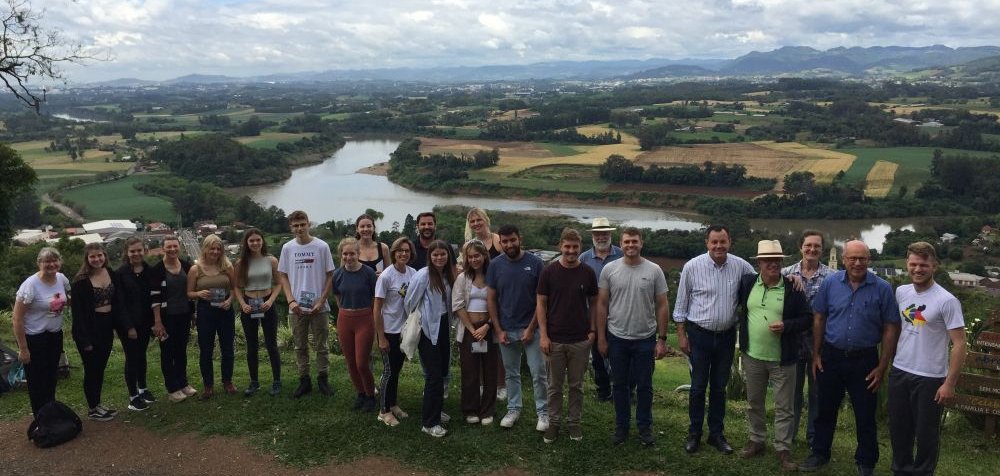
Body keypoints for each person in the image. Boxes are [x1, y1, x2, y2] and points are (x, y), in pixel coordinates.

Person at [800, 240, 900, 475]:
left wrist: (882, 366)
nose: (857, 263)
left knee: (865, 414)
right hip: (831, 357)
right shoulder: (831, 283)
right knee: (825, 410)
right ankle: (820, 453)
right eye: (852, 258)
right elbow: (819, 318)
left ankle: (866, 462)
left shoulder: (882, 288)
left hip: (865, 360)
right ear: (843, 259)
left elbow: (890, 327)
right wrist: (816, 354)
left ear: (869, 260)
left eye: (862, 258)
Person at [673, 225, 755, 454]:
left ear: (730, 242)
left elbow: (763, 282)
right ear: (706, 243)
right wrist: (681, 335)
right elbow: (680, 306)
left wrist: (791, 281)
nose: (719, 246)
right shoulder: (692, 267)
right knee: (698, 388)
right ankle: (694, 433)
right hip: (699, 336)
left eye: (723, 242)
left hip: (727, 336)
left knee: (719, 388)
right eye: (714, 242)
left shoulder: (741, 266)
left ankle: (716, 434)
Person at [888, 242, 966, 476]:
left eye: (923, 264)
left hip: (930, 378)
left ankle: (922, 472)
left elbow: (960, 344)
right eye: (913, 264)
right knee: (899, 430)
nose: (918, 269)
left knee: (926, 434)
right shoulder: (901, 291)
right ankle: (900, 470)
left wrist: (949, 383)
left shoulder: (947, 300)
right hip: (900, 371)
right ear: (907, 265)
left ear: (934, 266)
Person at [735, 240, 813, 471]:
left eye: (777, 260)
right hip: (753, 356)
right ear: (758, 263)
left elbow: (807, 319)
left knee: (784, 406)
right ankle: (756, 440)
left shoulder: (792, 288)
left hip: (783, 358)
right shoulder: (748, 282)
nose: (773, 264)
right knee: (754, 402)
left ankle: (783, 449)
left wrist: (787, 325)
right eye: (768, 260)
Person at [596, 227, 670, 446]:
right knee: (619, 385)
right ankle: (622, 427)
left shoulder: (654, 270)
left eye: (634, 241)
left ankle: (645, 428)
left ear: (641, 243)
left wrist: (662, 338)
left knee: (645, 386)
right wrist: (602, 337)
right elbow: (601, 305)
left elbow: (662, 304)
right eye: (627, 242)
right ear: (621, 243)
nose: (630, 245)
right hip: (617, 337)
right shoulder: (610, 270)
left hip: (645, 338)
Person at [537, 228, 598, 443]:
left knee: (576, 386)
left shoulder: (587, 272)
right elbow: (541, 304)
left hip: (580, 340)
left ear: (580, 247)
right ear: (560, 246)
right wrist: (543, 336)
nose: (571, 251)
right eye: (567, 246)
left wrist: (592, 331)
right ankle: (553, 423)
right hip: (554, 339)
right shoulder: (549, 272)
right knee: (554, 386)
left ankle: (574, 422)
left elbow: (594, 303)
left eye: (575, 247)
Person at [781, 230, 833, 447]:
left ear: (822, 249)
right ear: (800, 247)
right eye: (808, 245)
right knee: (791, 392)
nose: (812, 250)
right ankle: (788, 434)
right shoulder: (786, 273)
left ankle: (814, 436)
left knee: (817, 393)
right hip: (792, 342)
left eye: (817, 246)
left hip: (819, 344)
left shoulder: (832, 277)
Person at [278, 210, 336, 398]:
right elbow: (283, 276)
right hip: (296, 308)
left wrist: (322, 300)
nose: (299, 228)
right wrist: (290, 300)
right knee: (299, 346)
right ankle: (304, 381)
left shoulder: (322, 247)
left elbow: (330, 276)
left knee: (322, 345)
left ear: (308, 224)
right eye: (295, 225)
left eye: (302, 224)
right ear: (291, 227)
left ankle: (323, 379)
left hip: (319, 307)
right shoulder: (287, 248)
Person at [404, 240, 456, 437]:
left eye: (443, 254)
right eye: (435, 255)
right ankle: (429, 422)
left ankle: (437, 409)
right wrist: (419, 320)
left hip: (443, 327)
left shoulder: (448, 275)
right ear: (430, 257)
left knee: (442, 372)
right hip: (427, 331)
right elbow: (409, 301)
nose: (439, 258)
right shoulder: (423, 275)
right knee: (433, 376)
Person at [71, 243, 128, 421]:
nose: (97, 259)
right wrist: (84, 340)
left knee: (100, 367)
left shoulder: (112, 274)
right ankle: (93, 408)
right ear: (87, 259)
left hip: (106, 326)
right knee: (91, 368)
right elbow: (78, 314)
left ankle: (97, 403)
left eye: (100, 255)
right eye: (92, 257)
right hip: (89, 329)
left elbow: (118, 302)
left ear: (105, 256)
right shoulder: (81, 282)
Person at [12, 247, 70, 416]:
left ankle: (50, 411)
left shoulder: (61, 279)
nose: (51, 264)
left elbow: (68, 298)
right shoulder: (30, 285)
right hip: (34, 337)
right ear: (39, 264)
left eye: (55, 260)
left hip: (55, 335)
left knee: (51, 375)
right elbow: (16, 319)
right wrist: (23, 348)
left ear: (59, 262)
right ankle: (40, 417)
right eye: (47, 261)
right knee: (37, 380)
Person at [452, 239, 499, 425]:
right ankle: (470, 409)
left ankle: (487, 410)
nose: (474, 260)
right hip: (469, 330)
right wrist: (472, 329)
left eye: (477, 255)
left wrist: (487, 325)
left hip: (489, 329)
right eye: (470, 257)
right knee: (470, 372)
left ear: (484, 256)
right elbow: (457, 304)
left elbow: (498, 303)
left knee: (490, 372)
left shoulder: (493, 277)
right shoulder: (463, 279)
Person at [187, 234, 238, 399]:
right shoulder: (196, 269)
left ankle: (227, 382)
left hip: (224, 310)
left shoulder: (227, 266)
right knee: (206, 350)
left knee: (228, 349)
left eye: (218, 249)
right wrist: (198, 293)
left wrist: (230, 300)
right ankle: (208, 386)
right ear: (205, 249)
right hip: (205, 312)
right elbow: (189, 293)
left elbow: (235, 288)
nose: (215, 252)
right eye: (212, 248)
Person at [233, 228, 283, 397]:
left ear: (262, 241)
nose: (255, 243)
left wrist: (270, 301)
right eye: (251, 241)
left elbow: (279, 283)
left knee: (271, 345)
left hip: (266, 304)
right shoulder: (241, 262)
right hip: (249, 305)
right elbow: (237, 287)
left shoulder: (272, 260)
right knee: (252, 346)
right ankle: (254, 382)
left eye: (258, 240)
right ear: (246, 243)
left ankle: (277, 381)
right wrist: (242, 304)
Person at [579, 217, 623, 402]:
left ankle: (623, 391)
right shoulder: (584, 258)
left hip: (619, 315)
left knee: (620, 356)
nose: (601, 237)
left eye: (605, 233)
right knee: (598, 356)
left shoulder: (621, 255)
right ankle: (603, 391)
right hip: (593, 316)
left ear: (610, 234)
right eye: (598, 233)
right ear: (593, 236)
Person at [374, 237, 417, 426]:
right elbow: (377, 309)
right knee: (388, 371)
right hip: (389, 331)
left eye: (407, 251)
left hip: (404, 330)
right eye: (400, 250)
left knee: (396, 371)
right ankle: (383, 410)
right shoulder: (386, 276)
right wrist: (381, 337)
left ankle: (393, 404)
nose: (403, 254)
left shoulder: (413, 273)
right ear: (393, 253)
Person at [332, 237, 378, 411]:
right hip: (344, 319)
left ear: (358, 254)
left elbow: (375, 298)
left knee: (361, 363)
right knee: (350, 362)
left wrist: (371, 317)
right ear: (341, 255)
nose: (348, 257)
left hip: (364, 318)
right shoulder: (337, 274)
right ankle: (361, 393)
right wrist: (345, 312)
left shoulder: (368, 273)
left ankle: (370, 395)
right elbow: (337, 297)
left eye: (352, 253)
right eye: (345, 254)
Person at [464, 207, 505, 401]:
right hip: (478, 293)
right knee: (478, 346)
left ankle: (501, 385)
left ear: (486, 220)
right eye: (472, 221)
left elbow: (507, 262)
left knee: (497, 345)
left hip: (497, 294)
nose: (476, 224)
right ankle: (481, 384)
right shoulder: (470, 244)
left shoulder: (497, 240)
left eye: (478, 220)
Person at [151, 235, 196, 402]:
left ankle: (183, 383)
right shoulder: (156, 270)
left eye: (175, 246)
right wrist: (157, 322)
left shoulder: (186, 266)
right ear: (163, 248)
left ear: (179, 247)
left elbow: (190, 292)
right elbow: (154, 297)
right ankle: (172, 388)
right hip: (165, 318)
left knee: (181, 351)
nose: (172, 249)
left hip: (183, 315)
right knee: (167, 352)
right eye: (168, 247)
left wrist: (192, 313)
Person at [115, 236, 157, 411]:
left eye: (139, 250)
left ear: (144, 251)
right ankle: (133, 396)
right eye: (132, 251)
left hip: (146, 322)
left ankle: (143, 388)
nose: (136, 254)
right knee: (132, 358)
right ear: (127, 252)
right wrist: (128, 326)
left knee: (142, 355)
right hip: (128, 324)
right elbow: (119, 302)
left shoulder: (150, 270)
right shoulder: (120, 273)